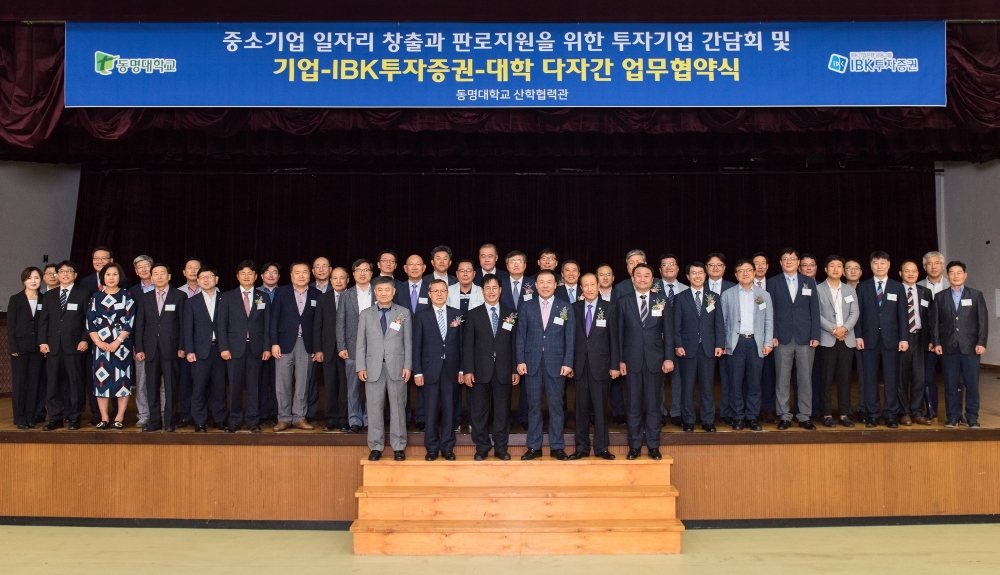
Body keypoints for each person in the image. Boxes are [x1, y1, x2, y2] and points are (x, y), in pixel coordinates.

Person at [516, 269, 575, 460]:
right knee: (533, 406)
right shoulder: (527, 306)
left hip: (556, 364)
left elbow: (570, 337)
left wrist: (568, 362)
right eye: (541, 282)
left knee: (556, 407)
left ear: (555, 285)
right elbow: (520, 336)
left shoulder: (565, 307)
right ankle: (534, 446)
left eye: (549, 282)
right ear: (535, 285)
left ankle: (557, 446)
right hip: (532, 363)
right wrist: (520, 360)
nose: (545, 286)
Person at [618, 263, 673, 459]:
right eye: (638, 275)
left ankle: (653, 445)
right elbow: (619, 334)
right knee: (633, 406)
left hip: (655, 360)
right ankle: (634, 446)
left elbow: (669, 331)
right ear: (633, 279)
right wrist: (620, 360)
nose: (642, 279)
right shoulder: (623, 301)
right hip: (631, 361)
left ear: (652, 279)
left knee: (653, 405)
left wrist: (668, 358)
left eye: (646, 276)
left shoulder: (661, 300)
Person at [462, 274, 519, 460]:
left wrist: (514, 369)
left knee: (502, 412)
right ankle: (482, 447)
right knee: (479, 412)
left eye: (495, 288)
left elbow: (514, 344)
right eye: (488, 288)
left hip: (504, 370)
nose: (491, 291)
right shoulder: (473, 314)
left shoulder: (511, 314)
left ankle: (501, 448)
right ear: (482, 291)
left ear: (500, 290)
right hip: (480, 371)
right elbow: (468, 345)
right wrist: (468, 370)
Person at [357, 276, 412, 461]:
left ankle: (399, 446)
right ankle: (375, 446)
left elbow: (408, 342)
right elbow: (360, 344)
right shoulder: (365, 314)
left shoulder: (403, 312)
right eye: (380, 290)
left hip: (397, 367)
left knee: (398, 408)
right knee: (374, 409)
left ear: (393, 291)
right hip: (373, 368)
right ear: (375, 292)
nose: (383, 293)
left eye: (387, 290)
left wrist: (408, 366)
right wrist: (360, 366)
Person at [766, 248, 820, 431]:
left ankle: (804, 416)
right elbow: (770, 311)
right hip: (782, 338)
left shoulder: (808, 282)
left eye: (792, 259)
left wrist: (815, 334)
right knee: (782, 379)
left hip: (805, 338)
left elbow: (815, 310)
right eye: (785, 259)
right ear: (780, 263)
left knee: (805, 378)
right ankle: (784, 415)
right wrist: (772, 334)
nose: (789, 261)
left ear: (798, 263)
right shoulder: (773, 282)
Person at [855, 251, 909, 428]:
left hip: (891, 340)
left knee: (891, 378)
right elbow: (858, 314)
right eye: (876, 263)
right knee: (869, 378)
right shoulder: (862, 287)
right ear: (871, 266)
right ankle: (873, 414)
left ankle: (891, 414)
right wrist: (858, 336)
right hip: (868, 339)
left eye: (883, 263)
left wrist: (904, 338)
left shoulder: (897, 287)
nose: (879, 266)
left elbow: (903, 315)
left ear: (889, 265)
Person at [932, 261, 988, 428]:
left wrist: (981, 342)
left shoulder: (976, 295)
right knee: (950, 384)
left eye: (959, 273)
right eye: (952, 273)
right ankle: (953, 417)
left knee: (972, 384)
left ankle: (972, 417)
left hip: (971, 347)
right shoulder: (940, 297)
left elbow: (982, 321)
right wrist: (936, 342)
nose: (955, 276)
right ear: (947, 276)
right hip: (948, 346)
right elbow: (935, 323)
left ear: (965, 275)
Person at [569, 273, 619, 459]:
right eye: (585, 285)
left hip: (601, 366)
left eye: (592, 285)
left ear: (598, 286)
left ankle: (601, 447)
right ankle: (581, 447)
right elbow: (570, 339)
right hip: (580, 366)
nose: (589, 289)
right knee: (581, 409)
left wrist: (614, 365)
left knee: (600, 409)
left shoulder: (610, 308)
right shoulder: (574, 308)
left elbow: (614, 339)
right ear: (581, 288)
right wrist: (569, 363)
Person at [218, 260, 271, 433]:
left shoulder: (263, 297)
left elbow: (267, 325)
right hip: (234, 349)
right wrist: (223, 348)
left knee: (254, 386)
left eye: (250, 273)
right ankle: (234, 420)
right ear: (237, 276)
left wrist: (267, 347)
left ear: (256, 277)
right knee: (235, 386)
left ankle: (253, 420)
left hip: (256, 348)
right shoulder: (227, 297)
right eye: (243, 273)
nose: (246, 276)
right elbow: (221, 324)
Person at [412, 279, 463, 460]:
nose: (439, 294)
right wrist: (417, 371)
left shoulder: (457, 315)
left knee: (449, 410)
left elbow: (462, 344)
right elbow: (416, 346)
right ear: (430, 294)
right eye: (436, 291)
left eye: (443, 291)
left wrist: (462, 369)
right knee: (431, 410)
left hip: (451, 369)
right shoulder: (421, 315)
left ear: (447, 293)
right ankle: (432, 447)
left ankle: (448, 447)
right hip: (429, 370)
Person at [673, 262, 725, 432]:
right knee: (687, 387)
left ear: (705, 275)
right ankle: (688, 420)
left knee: (707, 387)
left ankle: (707, 420)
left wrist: (719, 344)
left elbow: (719, 323)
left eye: (700, 272)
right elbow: (675, 325)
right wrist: (678, 344)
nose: (697, 276)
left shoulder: (714, 296)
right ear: (688, 276)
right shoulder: (680, 297)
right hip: (687, 349)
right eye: (694, 273)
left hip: (708, 348)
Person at [134, 263, 186, 432]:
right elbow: (140, 325)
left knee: (170, 387)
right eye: (155, 274)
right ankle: (154, 421)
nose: (159, 276)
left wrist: (182, 346)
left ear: (169, 276)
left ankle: (169, 421)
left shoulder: (180, 296)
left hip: (171, 349)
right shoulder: (145, 298)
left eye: (162, 273)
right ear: (151, 277)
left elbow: (183, 324)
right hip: (150, 349)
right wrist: (139, 348)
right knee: (151, 387)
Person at [270, 261, 321, 432]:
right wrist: (274, 343)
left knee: (303, 383)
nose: (301, 276)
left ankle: (299, 417)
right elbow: (274, 319)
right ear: (291, 275)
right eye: (297, 272)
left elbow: (318, 324)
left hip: (306, 345)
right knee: (282, 383)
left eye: (304, 272)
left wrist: (317, 347)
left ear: (309, 274)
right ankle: (284, 418)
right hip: (284, 343)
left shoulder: (316, 294)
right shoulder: (281, 292)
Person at [722, 259, 773, 432]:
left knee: (754, 383)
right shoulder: (728, 294)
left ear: (754, 273)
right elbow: (723, 322)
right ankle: (737, 416)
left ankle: (752, 417)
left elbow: (768, 320)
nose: (745, 273)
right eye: (741, 271)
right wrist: (724, 343)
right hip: (735, 343)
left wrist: (768, 342)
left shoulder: (763, 295)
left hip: (755, 343)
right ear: (736, 275)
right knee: (735, 383)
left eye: (748, 270)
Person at [39, 261, 90, 431]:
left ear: (75, 275)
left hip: (75, 346)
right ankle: (55, 418)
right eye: (62, 271)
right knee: (52, 383)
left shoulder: (83, 293)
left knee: (75, 383)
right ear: (57, 275)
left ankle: (74, 417)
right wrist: (43, 341)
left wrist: (85, 339)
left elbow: (88, 320)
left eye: (69, 271)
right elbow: (43, 321)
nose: (65, 274)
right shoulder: (49, 295)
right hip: (53, 346)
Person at [85, 262, 135, 429]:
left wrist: (117, 341)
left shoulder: (127, 296)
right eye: (108, 274)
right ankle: (104, 417)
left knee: (122, 380)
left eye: (115, 274)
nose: (111, 277)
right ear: (102, 277)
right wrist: (98, 342)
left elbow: (130, 322)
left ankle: (119, 416)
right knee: (101, 381)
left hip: (122, 346)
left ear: (120, 277)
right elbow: (90, 322)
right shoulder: (96, 297)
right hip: (100, 347)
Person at [816, 256, 860, 428]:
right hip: (828, 339)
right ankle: (826, 414)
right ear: (826, 269)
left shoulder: (849, 290)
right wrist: (833, 329)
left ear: (843, 270)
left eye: (839, 266)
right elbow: (817, 314)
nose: (835, 269)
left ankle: (844, 414)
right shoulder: (818, 289)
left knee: (845, 378)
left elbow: (855, 312)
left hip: (846, 339)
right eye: (832, 266)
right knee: (825, 379)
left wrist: (845, 329)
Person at [183, 265, 228, 432]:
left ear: (216, 279)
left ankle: (219, 420)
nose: (206, 280)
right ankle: (200, 421)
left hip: (221, 350)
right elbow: (188, 328)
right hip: (199, 351)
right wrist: (189, 350)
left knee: (220, 387)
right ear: (198, 281)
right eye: (202, 277)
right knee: (199, 387)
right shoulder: (191, 302)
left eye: (209, 276)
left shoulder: (225, 298)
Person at [336, 259, 374, 433]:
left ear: (371, 274)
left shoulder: (379, 292)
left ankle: (369, 420)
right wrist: (341, 346)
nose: (362, 273)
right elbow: (340, 323)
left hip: (374, 348)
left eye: (366, 270)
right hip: (351, 347)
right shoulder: (346, 295)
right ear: (353, 274)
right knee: (352, 387)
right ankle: (354, 420)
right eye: (359, 270)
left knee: (372, 387)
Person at [395, 254, 430, 430]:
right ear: (405, 268)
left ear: (424, 268)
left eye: (418, 264)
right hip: (402, 341)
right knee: (403, 379)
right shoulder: (397, 288)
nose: (415, 268)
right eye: (411, 264)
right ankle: (404, 416)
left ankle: (422, 417)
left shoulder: (431, 288)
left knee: (423, 380)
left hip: (427, 342)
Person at [897, 260, 933, 426]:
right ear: (900, 273)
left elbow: (930, 318)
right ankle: (903, 412)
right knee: (902, 377)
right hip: (902, 339)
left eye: (914, 271)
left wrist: (932, 340)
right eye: (907, 271)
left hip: (920, 338)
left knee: (920, 378)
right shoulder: (896, 290)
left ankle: (917, 411)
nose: (911, 274)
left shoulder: (926, 292)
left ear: (918, 274)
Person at [8, 267, 44, 429]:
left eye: (36, 278)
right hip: (20, 348)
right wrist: (12, 347)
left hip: (37, 348)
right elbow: (11, 326)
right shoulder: (16, 299)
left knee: (34, 383)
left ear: (41, 280)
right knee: (19, 383)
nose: (33, 281)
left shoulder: (44, 299)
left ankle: (30, 416)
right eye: (29, 278)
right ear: (24, 280)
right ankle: (19, 417)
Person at [313, 267, 347, 432]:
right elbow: (317, 325)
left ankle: (345, 419)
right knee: (330, 386)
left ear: (348, 280)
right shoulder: (323, 298)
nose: (338, 281)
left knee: (346, 387)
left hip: (348, 349)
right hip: (328, 349)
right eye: (335, 278)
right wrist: (318, 349)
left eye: (342, 278)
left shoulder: (352, 297)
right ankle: (331, 419)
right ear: (330, 280)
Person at [501, 250, 531, 429]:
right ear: (507, 265)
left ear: (525, 265)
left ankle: (524, 416)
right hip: (504, 337)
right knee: (504, 378)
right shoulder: (500, 283)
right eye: (512, 261)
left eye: (519, 261)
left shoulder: (533, 284)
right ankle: (504, 416)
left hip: (528, 337)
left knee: (527, 380)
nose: (516, 264)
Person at [706, 253, 737, 425]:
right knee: (705, 381)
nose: (715, 268)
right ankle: (706, 414)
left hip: (729, 340)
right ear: (706, 268)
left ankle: (727, 412)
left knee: (728, 379)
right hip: (705, 342)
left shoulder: (733, 288)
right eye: (712, 265)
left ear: (725, 268)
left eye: (719, 265)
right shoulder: (699, 286)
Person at [659, 254, 688, 428]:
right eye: (665, 265)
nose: (668, 267)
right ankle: (660, 412)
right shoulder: (653, 289)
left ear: (678, 268)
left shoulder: (687, 289)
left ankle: (677, 412)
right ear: (660, 269)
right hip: (657, 341)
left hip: (680, 342)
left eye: (672, 264)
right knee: (658, 380)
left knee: (679, 379)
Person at [918, 251, 947, 421]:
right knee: (926, 376)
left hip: (949, 340)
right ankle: (931, 410)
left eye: (937, 263)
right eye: (930, 263)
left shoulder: (953, 284)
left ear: (942, 266)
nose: (933, 267)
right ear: (924, 267)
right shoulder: (917, 286)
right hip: (927, 340)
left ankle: (956, 414)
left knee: (955, 378)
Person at [175, 257, 203, 428]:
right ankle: (187, 415)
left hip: (205, 344)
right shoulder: (178, 293)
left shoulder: (212, 290)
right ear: (184, 272)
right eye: (190, 268)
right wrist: (182, 345)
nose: (193, 271)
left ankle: (203, 414)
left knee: (203, 382)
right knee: (185, 381)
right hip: (184, 344)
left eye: (196, 268)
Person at [130, 255, 155, 429]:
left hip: (162, 343)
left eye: (147, 266)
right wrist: (137, 345)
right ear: (136, 271)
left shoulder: (166, 288)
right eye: (140, 267)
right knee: (142, 382)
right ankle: (144, 414)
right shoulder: (131, 292)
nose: (144, 269)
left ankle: (162, 413)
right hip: (140, 343)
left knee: (162, 382)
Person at [752, 252, 777, 423]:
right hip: (749, 338)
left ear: (768, 266)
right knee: (750, 377)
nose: (760, 267)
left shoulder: (774, 284)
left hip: (770, 339)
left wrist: (773, 336)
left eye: (763, 263)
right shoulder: (744, 285)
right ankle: (751, 410)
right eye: (756, 263)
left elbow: (777, 313)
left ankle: (768, 409)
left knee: (769, 377)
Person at [256, 262, 280, 424]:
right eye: (267, 272)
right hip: (259, 343)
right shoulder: (255, 293)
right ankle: (262, 413)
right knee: (261, 380)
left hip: (279, 343)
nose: (271, 275)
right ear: (261, 276)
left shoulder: (284, 292)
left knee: (278, 381)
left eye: (274, 272)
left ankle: (277, 413)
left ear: (279, 276)